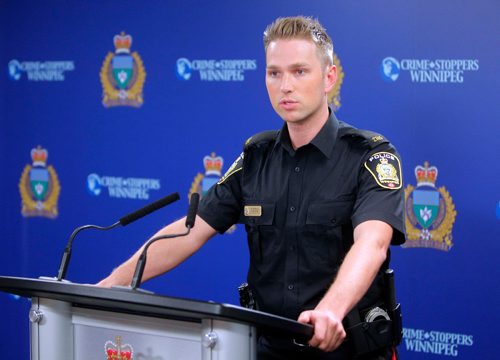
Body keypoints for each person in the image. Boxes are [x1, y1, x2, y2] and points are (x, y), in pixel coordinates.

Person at [98, 16, 405, 359]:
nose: (285, 85)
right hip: (268, 349)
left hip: (347, 350)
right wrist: (110, 285)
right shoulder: (256, 157)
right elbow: (189, 231)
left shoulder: (371, 155)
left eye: (299, 71)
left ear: (329, 78)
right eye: (274, 73)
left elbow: (373, 242)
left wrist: (330, 310)